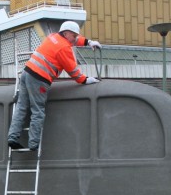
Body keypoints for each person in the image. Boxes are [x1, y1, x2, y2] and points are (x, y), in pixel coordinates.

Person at [7, 21, 102, 151]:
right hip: (39, 79)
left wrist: (88, 42)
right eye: (74, 36)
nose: (75, 38)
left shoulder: (53, 36)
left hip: (26, 73)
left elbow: (74, 41)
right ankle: (33, 144)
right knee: (38, 111)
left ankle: (12, 137)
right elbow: (72, 71)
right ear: (66, 33)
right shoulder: (64, 48)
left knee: (21, 107)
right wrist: (85, 80)